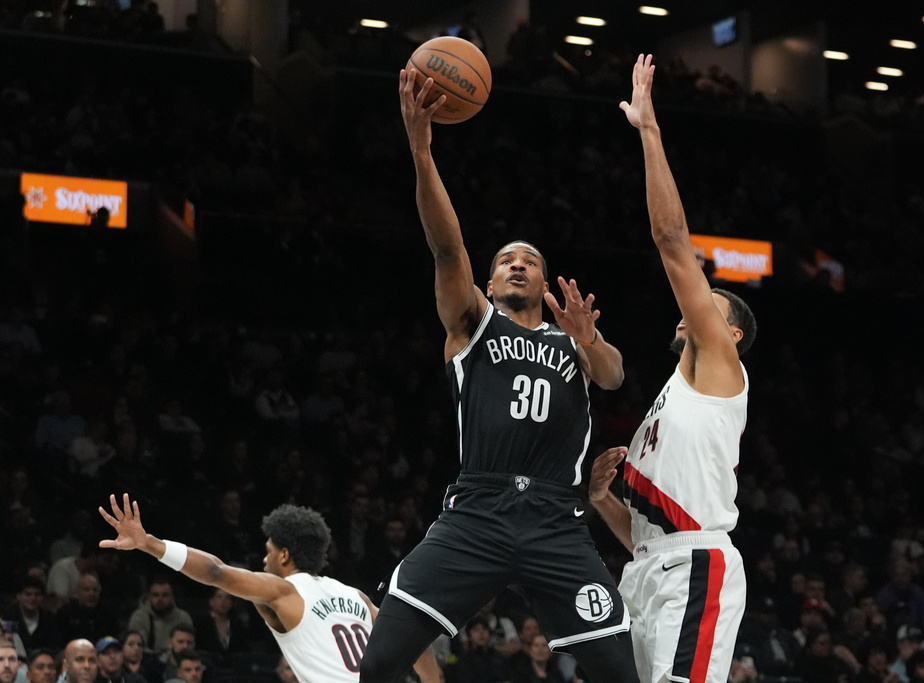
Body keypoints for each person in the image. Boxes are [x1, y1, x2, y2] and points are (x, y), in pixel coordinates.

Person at [358, 66, 641, 683]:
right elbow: (447, 248)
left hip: (555, 517)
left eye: (530, 261)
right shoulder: (473, 324)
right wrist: (421, 151)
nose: (518, 265)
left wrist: (589, 339)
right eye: (507, 260)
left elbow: (614, 376)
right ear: (488, 283)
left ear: (544, 281)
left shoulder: (572, 341)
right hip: (478, 511)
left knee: (622, 673)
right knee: (379, 662)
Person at [587, 54, 757, 683]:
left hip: (697, 567)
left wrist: (650, 132)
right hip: (648, 570)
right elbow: (647, 537)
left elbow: (670, 240)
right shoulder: (671, 397)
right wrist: (601, 500)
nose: (695, 305)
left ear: (730, 333)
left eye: (711, 303)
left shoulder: (719, 365)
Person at [98, 495, 439, 683]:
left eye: (268, 552)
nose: (264, 560)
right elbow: (417, 646)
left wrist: (151, 544)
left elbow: (216, 571)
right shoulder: (357, 597)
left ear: (285, 555)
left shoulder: (284, 591)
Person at [124, 578, 192, 654]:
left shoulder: (183, 618)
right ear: (149, 597)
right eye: (156, 595)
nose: (160, 599)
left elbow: (188, 646)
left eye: (165, 595)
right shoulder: (139, 617)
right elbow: (136, 647)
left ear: (172, 597)